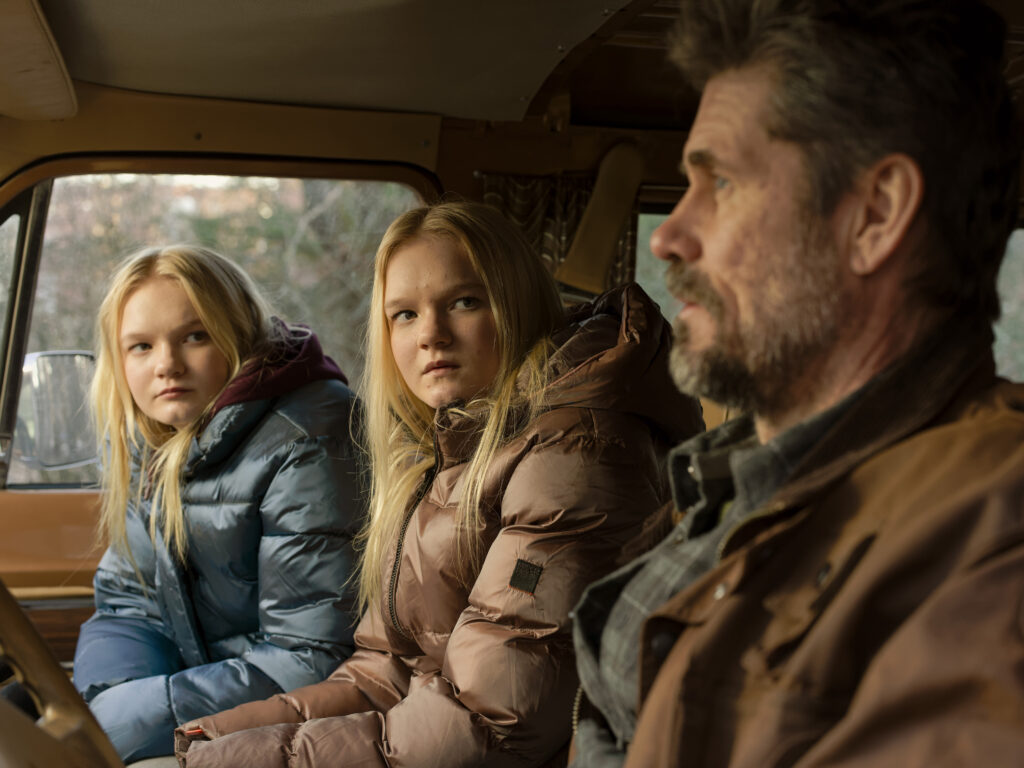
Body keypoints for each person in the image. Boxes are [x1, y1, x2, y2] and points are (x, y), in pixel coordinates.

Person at [569, 1, 1024, 766]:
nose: (670, 236)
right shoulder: (742, 480)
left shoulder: (993, 541)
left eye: (721, 182)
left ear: (874, 216)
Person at [172, 201, 704, 767]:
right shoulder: (449, 449)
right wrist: (217, 736)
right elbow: (384, 671)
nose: (431, 335)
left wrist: (233, 761)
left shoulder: (576, 453)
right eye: (404, 314)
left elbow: (489, 724)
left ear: (517, 305)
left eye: (464, 302)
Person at [71, 245, 365, 763]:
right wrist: (114, 694)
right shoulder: (148, 439)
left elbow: (314, 659)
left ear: (239, 335)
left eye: (195, 336)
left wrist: (128, 719)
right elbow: (127, 604)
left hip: (304, 720)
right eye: (141, 346)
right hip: (210, 698)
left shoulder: (308, 437)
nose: (166, 365)